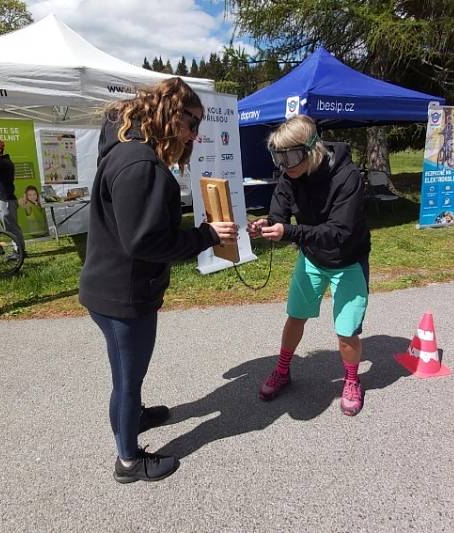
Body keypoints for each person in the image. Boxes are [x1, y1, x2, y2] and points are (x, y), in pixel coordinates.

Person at [79, 77, 237, 484]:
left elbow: (137, 229)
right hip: (124, 295)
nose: (195, 136)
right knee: (127, 379)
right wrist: (206, 237)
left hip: (111, 287)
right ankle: (128, 462)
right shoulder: (141, 164)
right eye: (193, 124)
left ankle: (134, 418)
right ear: (172, 114)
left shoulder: (128, 152)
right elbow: (146, 240)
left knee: (128, 373)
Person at [248, 115, 372, 417]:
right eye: (278, 157)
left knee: (346, 332)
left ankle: (352, 380)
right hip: (312, 257)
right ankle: (282, 370)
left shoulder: (347, 177)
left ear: (310, 149)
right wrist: (268, 224)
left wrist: (289, 232)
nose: (284, 165)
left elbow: (338, 232)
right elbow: (280, 213)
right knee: (295, 317)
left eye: (289, 156)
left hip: (348, 260)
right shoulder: (290, 174)